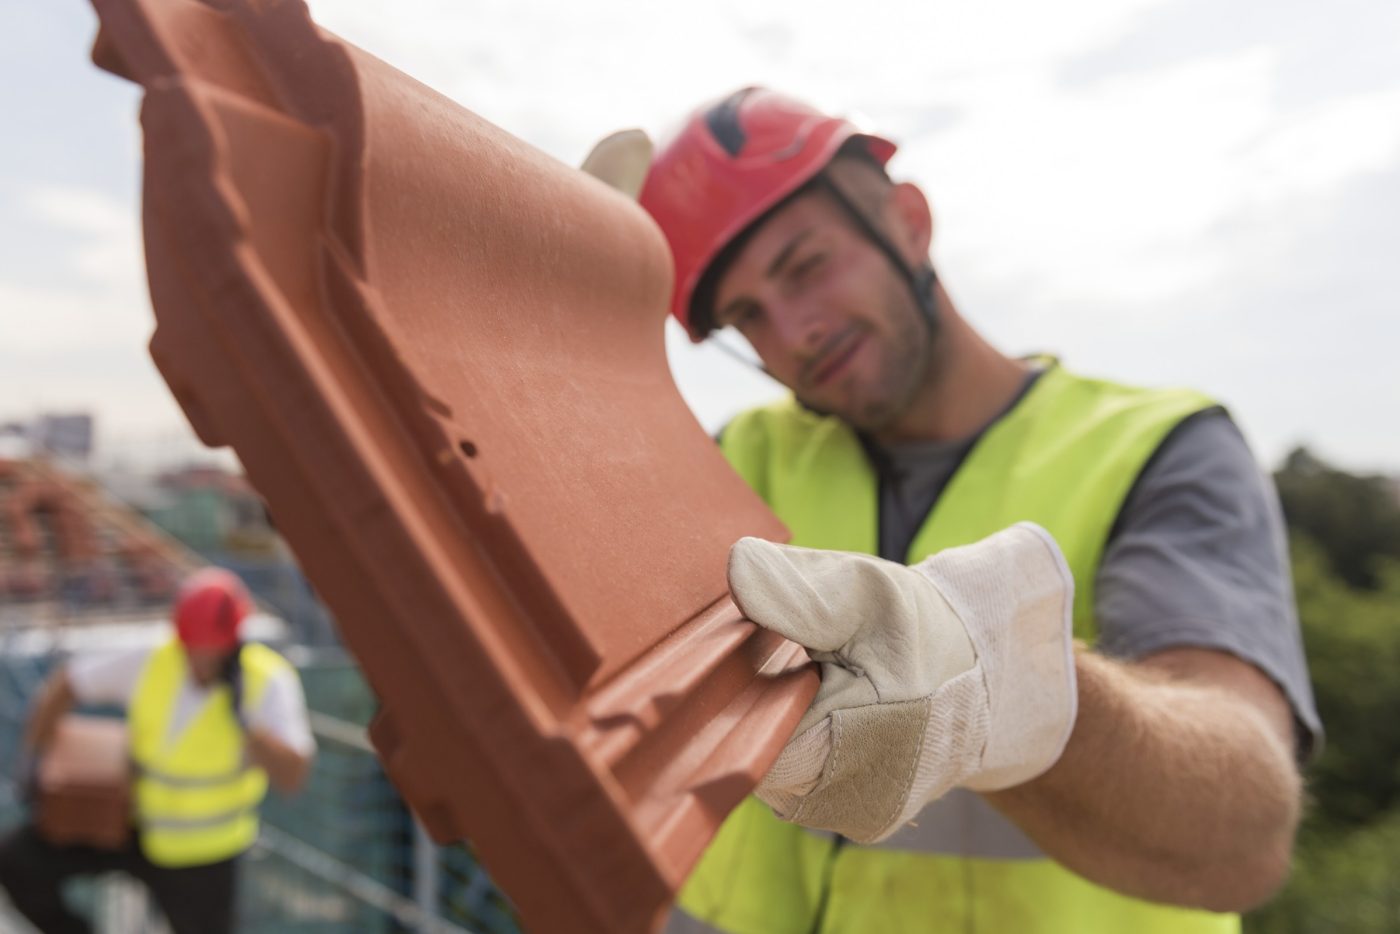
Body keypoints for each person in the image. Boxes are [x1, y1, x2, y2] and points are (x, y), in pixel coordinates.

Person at [594, 87, 1321, 933]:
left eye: (806, 266)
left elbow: (1245, 830)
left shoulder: (1154, 450)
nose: (795, 330)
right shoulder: (743, 457)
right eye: (747, 314)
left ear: (907, 221)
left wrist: (1003, 684)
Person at [0, 568, 316, 934]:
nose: (201, 657)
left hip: (206, 854)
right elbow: (65, 686)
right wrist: (32, 759)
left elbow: (293, 777)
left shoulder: (269, 681)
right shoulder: (153, 659)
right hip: (133, 826)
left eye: (212, 648)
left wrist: (245, 721)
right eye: (193, 646)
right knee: (18, 862)